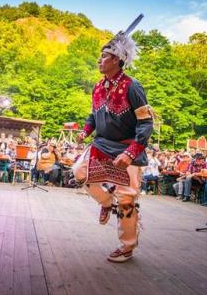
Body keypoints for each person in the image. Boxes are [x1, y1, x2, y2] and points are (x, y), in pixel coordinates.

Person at [77, 30, 153, 263]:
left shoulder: (133, 87)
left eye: (104, 56)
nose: (99, 60)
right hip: (102, 143)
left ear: (118, 60)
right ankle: (106, 203)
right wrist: (85, 131)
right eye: (100, 56)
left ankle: (127, 246)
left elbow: (146, 122)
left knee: (127, 199)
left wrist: (131, 154)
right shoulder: (98, 87)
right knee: (79, 172)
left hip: (127, 146)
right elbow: (94, 115)